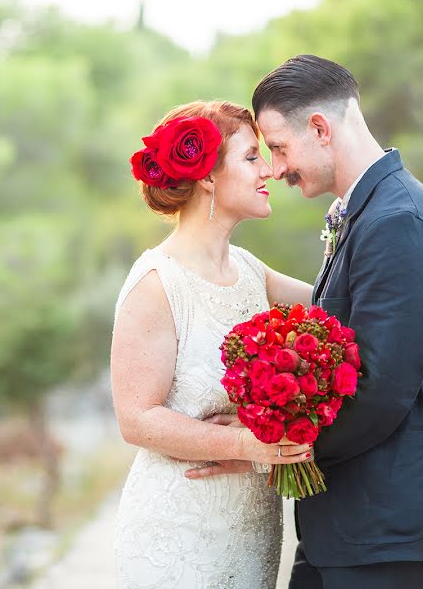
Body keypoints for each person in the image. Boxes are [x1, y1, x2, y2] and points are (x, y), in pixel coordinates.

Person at [187, 54, 423, 589]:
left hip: (391, 527)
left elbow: (379, 389)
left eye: (277, 147)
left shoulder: (398, 222)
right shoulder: (369, 210)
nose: (275, 169)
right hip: (357, 523)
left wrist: (268, 450)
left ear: (320, 128)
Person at [111, 100, 315, 588]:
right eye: (250, 157)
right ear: (206, 177)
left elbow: (336, 307)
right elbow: (136, 418)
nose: (268, 170)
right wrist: (246, 443)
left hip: (250, 533)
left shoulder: (248, 270)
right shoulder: (157, 282)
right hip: (178, 534)